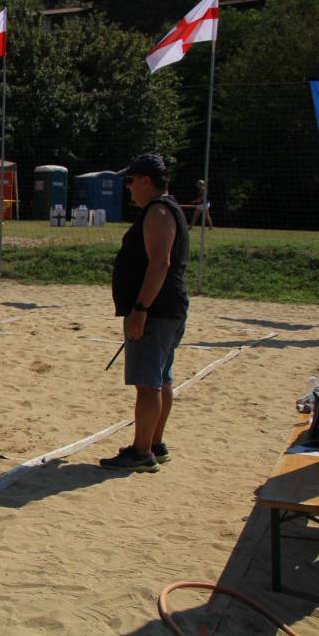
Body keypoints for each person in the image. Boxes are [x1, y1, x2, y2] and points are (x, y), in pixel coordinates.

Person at [101, 154, 189, 473]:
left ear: (147, 181)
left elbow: (160, 263)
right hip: (165, 310)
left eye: (132, 180)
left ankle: (141, 453)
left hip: (156, 312)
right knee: (160, 379)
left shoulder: (158, 212)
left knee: (148, 384)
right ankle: (154, 444)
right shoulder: (165, 208)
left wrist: (140, 309)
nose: (129, 187)